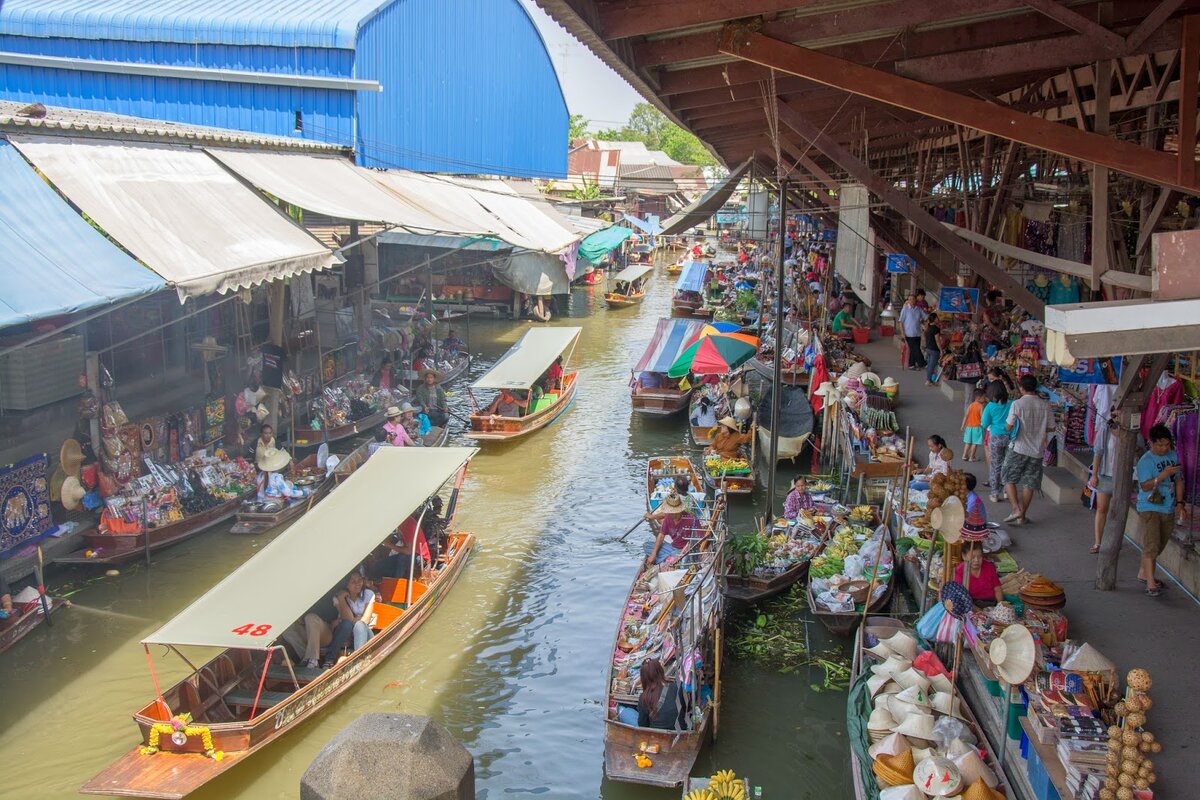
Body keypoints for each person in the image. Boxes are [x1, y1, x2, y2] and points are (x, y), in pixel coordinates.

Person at [1136, 424, 1184, 597]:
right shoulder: (1145, 461)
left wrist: (1180, 503)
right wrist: (1162, 476)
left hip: (1168, 506)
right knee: (1152, 544)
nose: (1164, 448)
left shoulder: (1173, 455)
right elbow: (1145, 486)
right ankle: (1150, 583)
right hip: (1149, 507)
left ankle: (1143, 572)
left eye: (1167, 444)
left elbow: (1179, 480)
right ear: (1152, 443)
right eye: (1160, 445)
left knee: (1159, 544)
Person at [1002, 374, 1053, 526]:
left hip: (1018, 447)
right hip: (1037, 450)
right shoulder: (1045, 405)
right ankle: (1022, 516)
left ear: (1021, 387)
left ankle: (1016, 508)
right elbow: (1051, 427)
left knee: (1008, 477)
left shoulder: (1017, 404)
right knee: (1029, 483)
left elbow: (1009, 426)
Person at [323, 572, 375, 668]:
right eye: (353, 581)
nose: (358, 583)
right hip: (348, 634)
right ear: (346, 584)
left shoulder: (369, 594)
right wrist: (342, 599)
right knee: (346, 624)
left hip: (364, 633)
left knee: (359, 625)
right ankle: (329, 659)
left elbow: (366, 620)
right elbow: (348, 619)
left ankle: (358, 660)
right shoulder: (338, 597)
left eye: (360, 580)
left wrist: (357, 620)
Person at [1087, 409, 1118, 554]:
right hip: (1105, 475)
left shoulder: (1132, 431)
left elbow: (1140, 449)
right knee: (1101, 509)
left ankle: (1113, 542)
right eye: (1115, 414)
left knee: (1117, 511)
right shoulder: (1105, 430)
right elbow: (1098, 452)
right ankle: (1098, 542)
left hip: (1122, 478)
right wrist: (1094, 475)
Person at [642, 492, 698, 565]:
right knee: (647, 545)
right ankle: (668, 559)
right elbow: (661, 535)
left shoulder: (691, 519)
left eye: (675, 512)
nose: (672, 515)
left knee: (681, 557)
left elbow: (695, 542)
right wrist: (653, 554)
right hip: (672, 548)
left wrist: (681, 555)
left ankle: (668, 560)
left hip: (683, 551)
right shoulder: (668, 518)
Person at [981, 382, 1013, 502]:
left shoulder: (990, 406)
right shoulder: (1011, 404)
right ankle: (1007, 491)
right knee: (1007, 464)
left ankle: (994, 494)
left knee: (996, 466)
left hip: (995, 438)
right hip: (1010, 438)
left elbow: (984, 423)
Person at [281, 597, 335, 670]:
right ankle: (305, 658)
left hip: (324, 634)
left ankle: (313, 660)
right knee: (286, 628)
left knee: (310, 617)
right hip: (305, 632)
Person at [636, 658, 686, 730]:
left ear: (644, 677)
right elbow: (685, 710)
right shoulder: (677, 687)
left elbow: (642, 724)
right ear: (661, 671)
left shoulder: (643, 697)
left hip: (656, 736)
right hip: (679, 733)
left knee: (627, 711)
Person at [953, 541, 1004, 606]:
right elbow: (961, 596)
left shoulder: (990, 567)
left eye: (979, 557)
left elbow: (997, 589)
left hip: (990, 602)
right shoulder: (959, 571)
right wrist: (978, 611)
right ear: (964, 556)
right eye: (972, 557)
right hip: (970, 604)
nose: (976, 560)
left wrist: (1000, 606)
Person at [899, 293, 928, 370]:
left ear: (916, 300)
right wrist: (902, 334)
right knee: (916, 349)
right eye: (909, 299)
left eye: (913, 299)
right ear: (907, 301)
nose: (911, 301)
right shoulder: (905, 309)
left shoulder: (918, 309)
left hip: (917, 333)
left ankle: (911, 365)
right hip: (908, 334)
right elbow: (901, 322)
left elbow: (925, 317)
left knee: (914, 349)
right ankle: (922, 363)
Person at [961, 388, 986, 463]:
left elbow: (966, 416)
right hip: (977, 427)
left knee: (968, 442)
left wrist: (963, 425)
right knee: (975, 443)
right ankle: (972, 457)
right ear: (978, 398)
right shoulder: (980, 406)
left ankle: (964, 455)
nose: (984, 399)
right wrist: (984, 425)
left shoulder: (971, 405)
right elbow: (982, 417)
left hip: (969, 427)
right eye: (983, 397)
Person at [923, 313, 943, 386]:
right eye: (937, 318)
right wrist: (941, 350)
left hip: (928, 348)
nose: (938, 319)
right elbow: (937, 341)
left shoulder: (928, 327)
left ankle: (929, 380)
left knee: (930, 365)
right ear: (934, 319)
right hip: (934, 349)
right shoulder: (935, 329)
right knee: (931, 366)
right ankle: (928, 381)